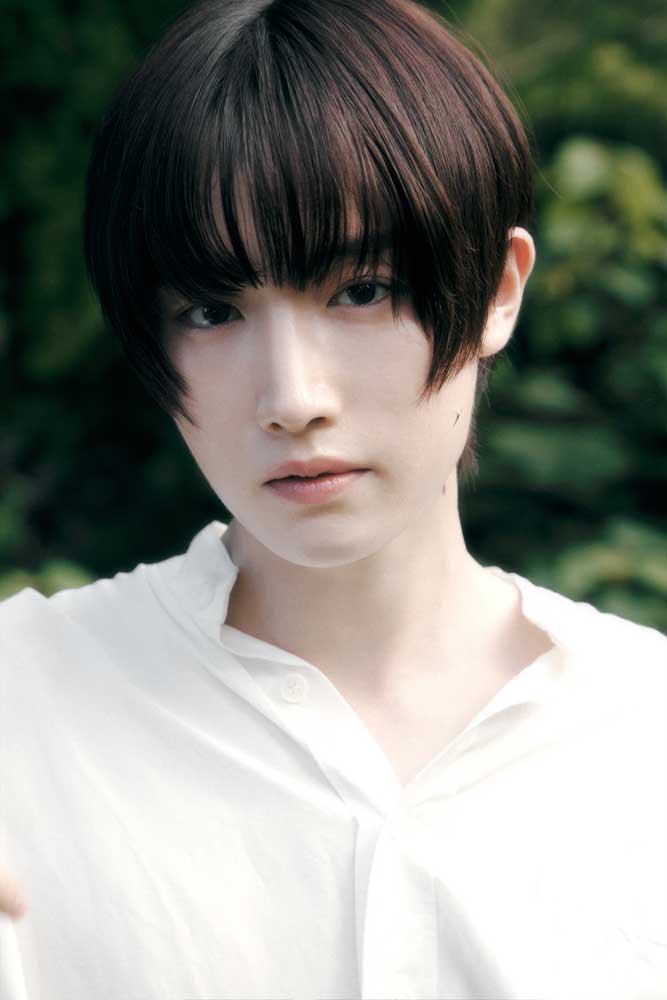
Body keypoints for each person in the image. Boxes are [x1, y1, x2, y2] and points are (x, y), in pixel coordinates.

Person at [1, 0, 665, 996]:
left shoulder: (642, 731)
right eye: (212, 310)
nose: (292, 397)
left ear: (498, 288)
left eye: (360, 290)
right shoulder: (24, 708)